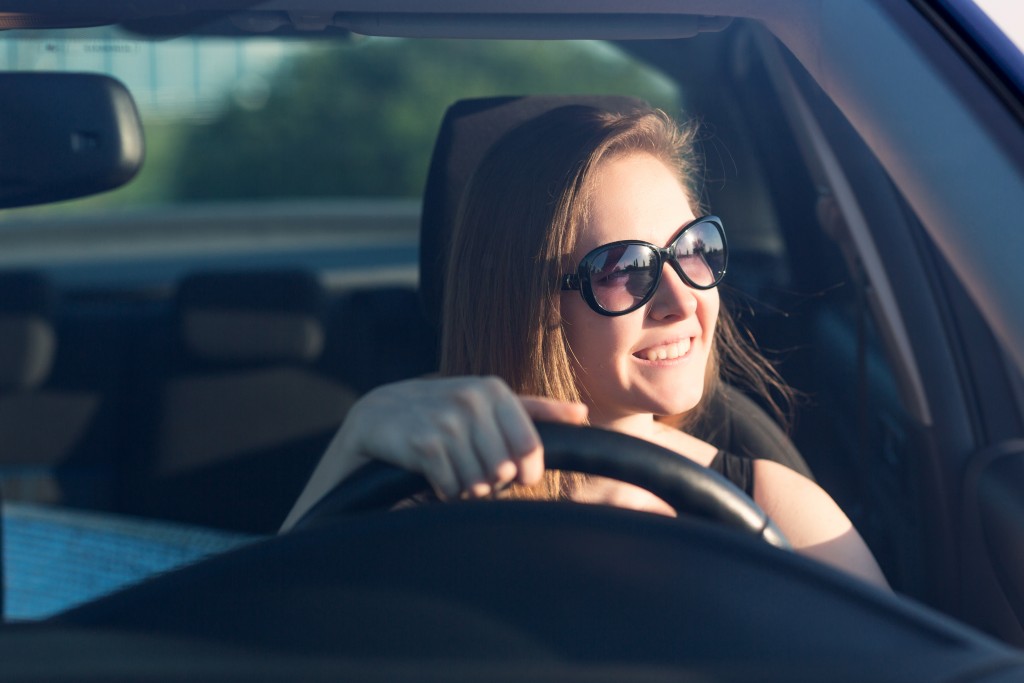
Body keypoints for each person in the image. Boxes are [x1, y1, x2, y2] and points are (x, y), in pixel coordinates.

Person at [282, 103, 890, 590]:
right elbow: (243, 650)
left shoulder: (776, 506)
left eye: (693, 249)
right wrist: (351, 448)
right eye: (623, 268)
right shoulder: (416, 517)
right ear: (528, 302)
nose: (682, 300)